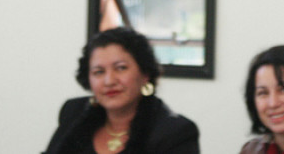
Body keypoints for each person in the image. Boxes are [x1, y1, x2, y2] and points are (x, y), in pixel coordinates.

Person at [43, 26, 199, 154]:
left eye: (121, 68)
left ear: (145, 73)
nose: (109, 81)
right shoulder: (73, 112)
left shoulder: (175, 132)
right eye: (99, 72)